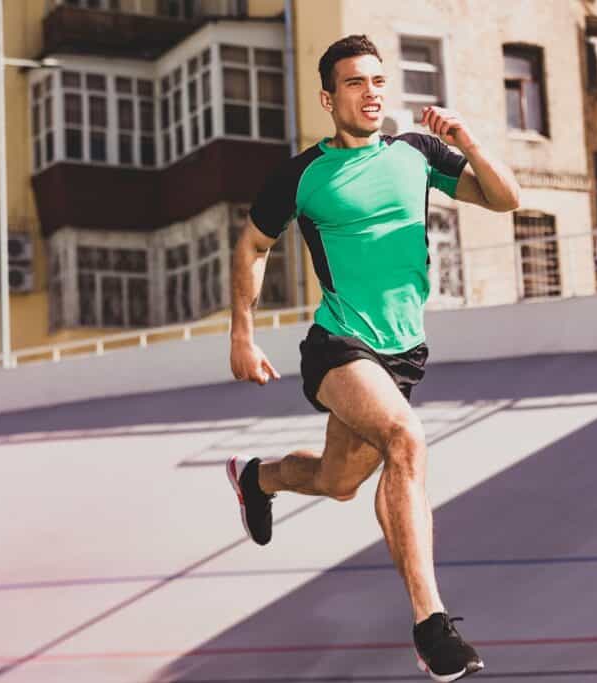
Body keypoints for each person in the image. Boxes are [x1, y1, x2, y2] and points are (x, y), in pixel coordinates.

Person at [225, 35, 520, 681]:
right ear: (329, 98)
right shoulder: (303, 174)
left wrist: (467, 137)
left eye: (378, 80)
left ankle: (258, 478)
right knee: (404, 438)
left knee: (338, 482)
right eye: (355, 83)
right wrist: (242, 336)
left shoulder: (417, 154)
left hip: (404, 351)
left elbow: (505, 199)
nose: (372, 92)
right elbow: (252, 244)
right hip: (338, 344)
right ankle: (430, 624)